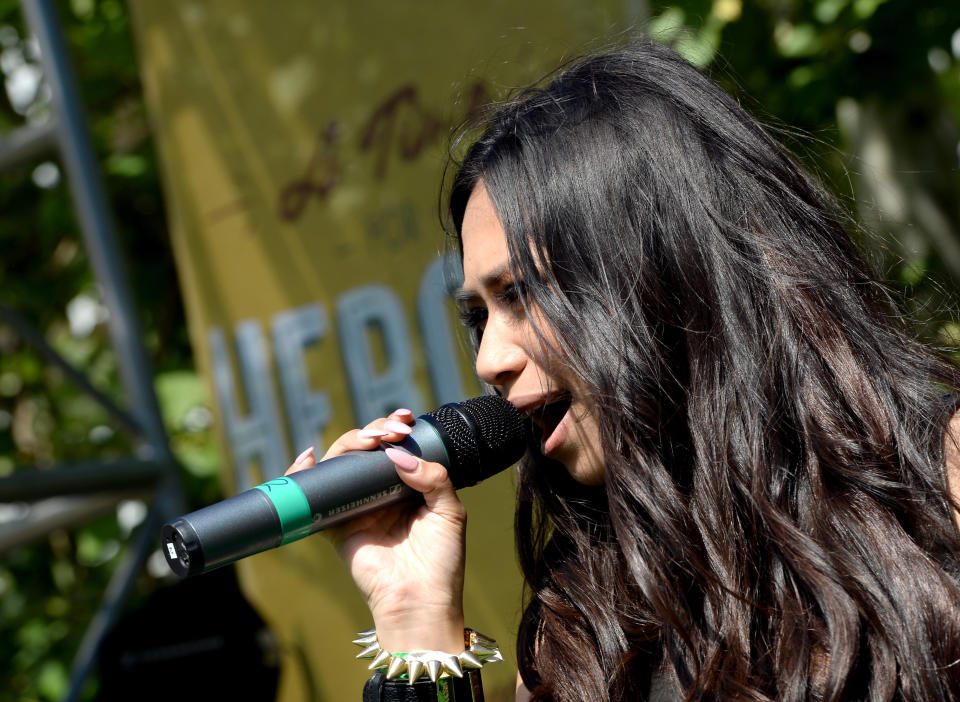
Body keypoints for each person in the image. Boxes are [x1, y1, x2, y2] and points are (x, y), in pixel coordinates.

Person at [288, 39, 960, 701]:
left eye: (521, 294)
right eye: (478, 317)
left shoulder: (941, 483)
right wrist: (415, 620)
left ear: (660, 271)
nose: (491, 360)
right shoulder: (580, 632)